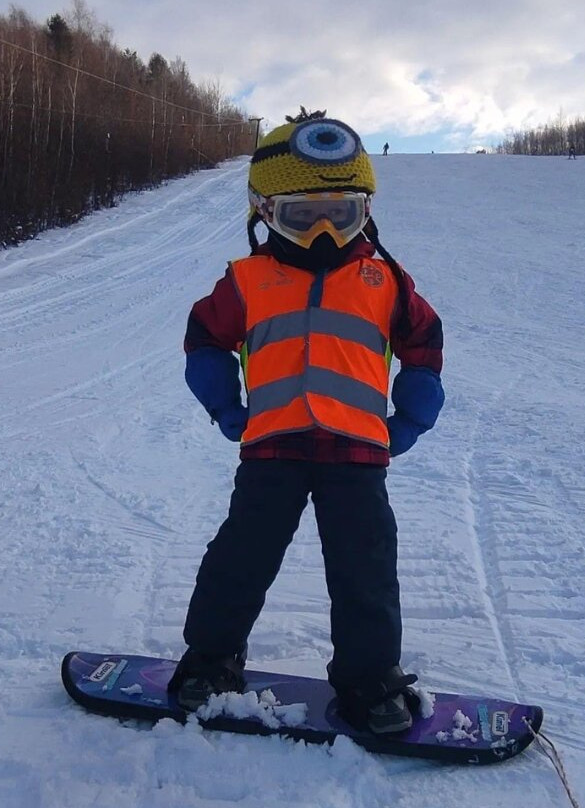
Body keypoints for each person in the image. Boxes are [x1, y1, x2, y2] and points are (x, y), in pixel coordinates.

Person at [168, 109, 444, 735]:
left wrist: (410, 419)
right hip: (273, 448)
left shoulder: (385, 280)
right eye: (301, 215)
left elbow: (425, 345)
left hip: (358, 455)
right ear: (264, 212)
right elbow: (204, 339)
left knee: (365, 566)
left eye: (340, 214)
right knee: (241, 556)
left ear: (365, 211)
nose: (323, 232)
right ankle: (212, 659)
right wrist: (224, 405)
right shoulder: (248, 279)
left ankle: (370, 679)